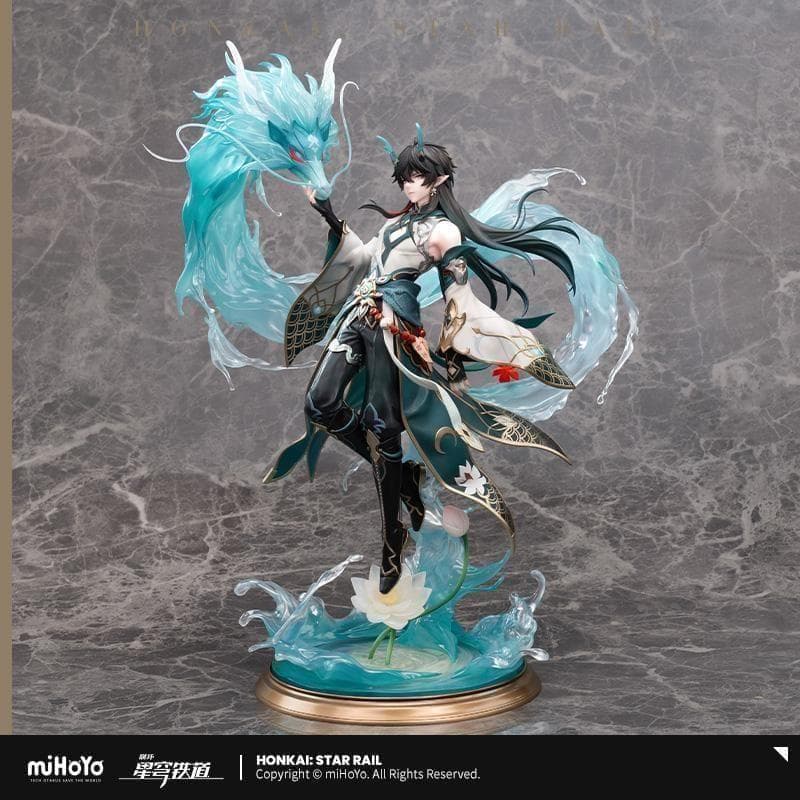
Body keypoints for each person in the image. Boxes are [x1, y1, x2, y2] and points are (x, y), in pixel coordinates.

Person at [263, 125, 580, 594]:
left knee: (382, 427)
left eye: (416, 177)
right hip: (359, 316)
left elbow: (458, 298)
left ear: (439, 180)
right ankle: (407, 483)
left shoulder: (444, 231)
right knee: (320, 403)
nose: (408, 184)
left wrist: (453, 356)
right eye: (405, 177)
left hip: (393, 328)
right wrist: (328, 214)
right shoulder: (397, 222)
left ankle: (392, 535)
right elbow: (365, 258)